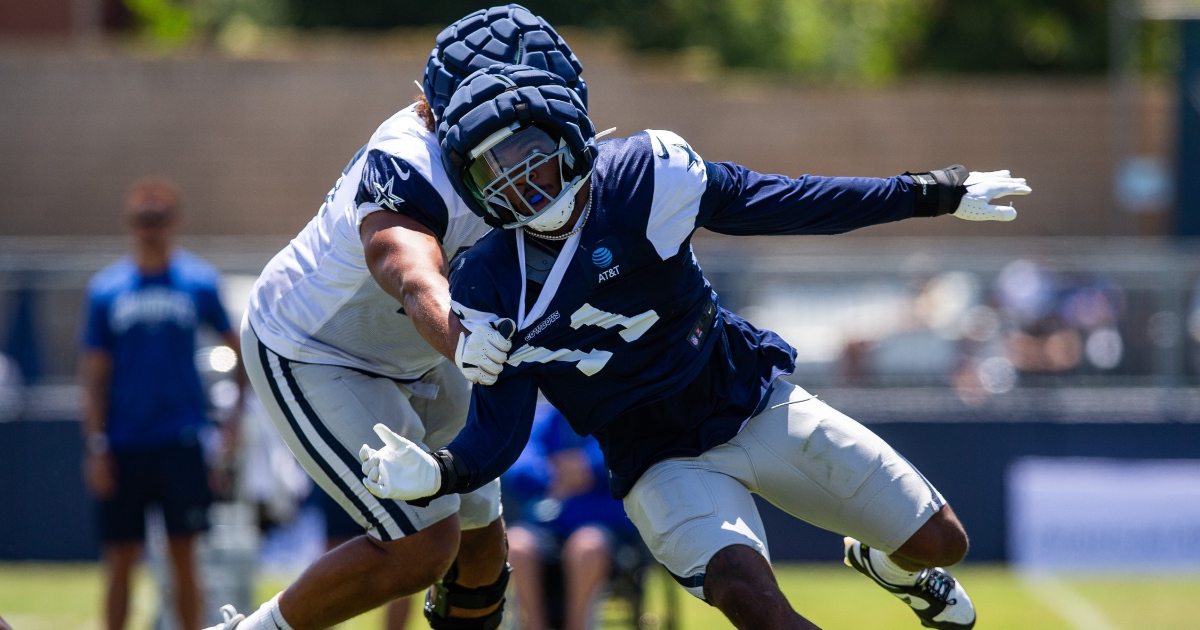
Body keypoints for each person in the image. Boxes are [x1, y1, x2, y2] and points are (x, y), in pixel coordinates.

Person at [359, 65, 1033, 630]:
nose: (516, 180)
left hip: (749, 399)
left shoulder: (645, 178)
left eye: (524, 152)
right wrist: (445, 472)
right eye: (492, 169)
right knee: (755, 603)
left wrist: (928, 194)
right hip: (657, 459)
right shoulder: (487, 282)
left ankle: (890, 568)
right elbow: (499, 432)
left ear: (565, 131)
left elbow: (789, 201)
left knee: (942, 542)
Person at [204, 6, 590, 630]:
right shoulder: (410, 162)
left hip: (420, 352)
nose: (543, 128)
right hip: (316, 351)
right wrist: (465, 340)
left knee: (482, 550)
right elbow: (412, 277)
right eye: (523, 109)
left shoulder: (519, 156)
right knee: (422, 547)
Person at [81, 178, 244, 630]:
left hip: (181, 437)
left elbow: (240, 351)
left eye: (158, 219)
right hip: (124, 441)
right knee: (120, 557)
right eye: (142, 220)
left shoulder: (199, 282)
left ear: (176, 222)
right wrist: (96, 445)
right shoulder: (106, 290)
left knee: (184, 557)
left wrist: (232, 424)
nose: (149, 229)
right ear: (128, 224)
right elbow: (93, 377)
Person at [503, 402, 640, 630]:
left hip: (606, 530)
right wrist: (553, 475)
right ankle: (534, 625)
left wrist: (587, 468)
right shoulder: (545, 418)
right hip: (547, 525)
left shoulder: (617, 412)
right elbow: (518, 462)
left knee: (586, 545)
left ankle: (578, 625)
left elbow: (624, 452)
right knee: (516, 544)